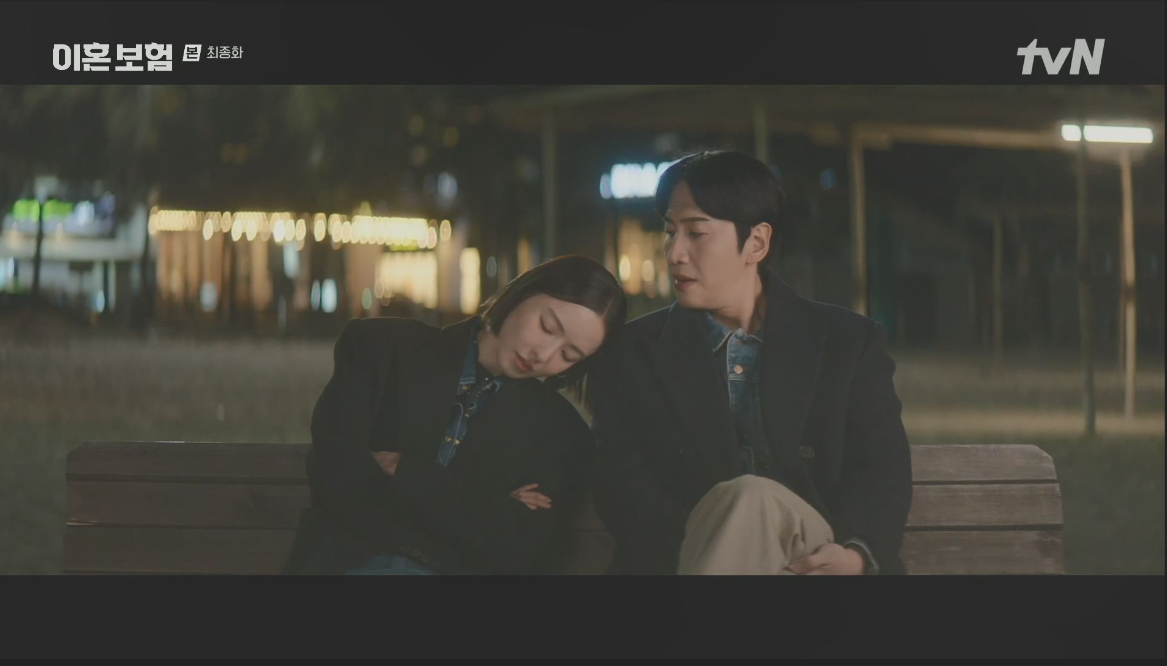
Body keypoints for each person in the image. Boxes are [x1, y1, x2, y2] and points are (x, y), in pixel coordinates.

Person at [589, 150, 912, 575]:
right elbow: (623, 487)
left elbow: (880, 468)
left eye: (696, 233)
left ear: (756, 243)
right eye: (670, 232)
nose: (674, 252)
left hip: (815, 555)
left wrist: (856, 555)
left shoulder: (846, 341)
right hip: (687, 555)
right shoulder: (634, 351)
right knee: (745, 499)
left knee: (753, 496)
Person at [283, 255, 627, 575]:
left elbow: (519, 547)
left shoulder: (561, 434)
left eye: (569, 355)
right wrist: (487, 504)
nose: (544, 354)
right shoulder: (381, 348)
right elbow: (337, 479)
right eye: (547, 327)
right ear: (523, 294)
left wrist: (405, 471)